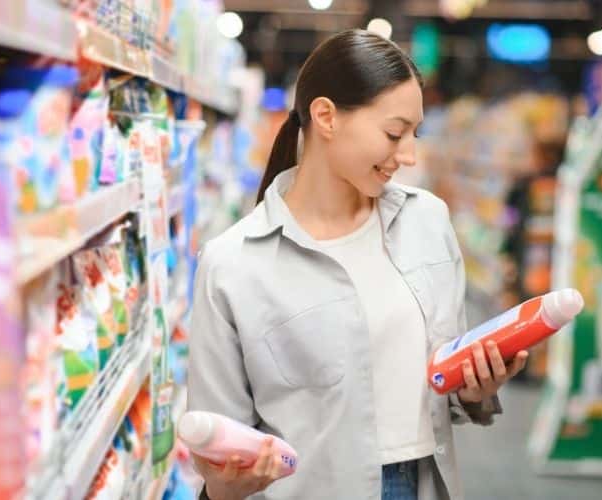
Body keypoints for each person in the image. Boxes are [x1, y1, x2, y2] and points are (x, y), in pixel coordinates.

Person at [187, 29, 529, 500]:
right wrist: (224, 486)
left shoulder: (428, 221)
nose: (409, 155)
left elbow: (440, 387)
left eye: (415, 134)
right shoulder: (232, 265)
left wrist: (473, 389)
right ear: (325, 116)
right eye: (394, 133)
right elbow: (216, 447)